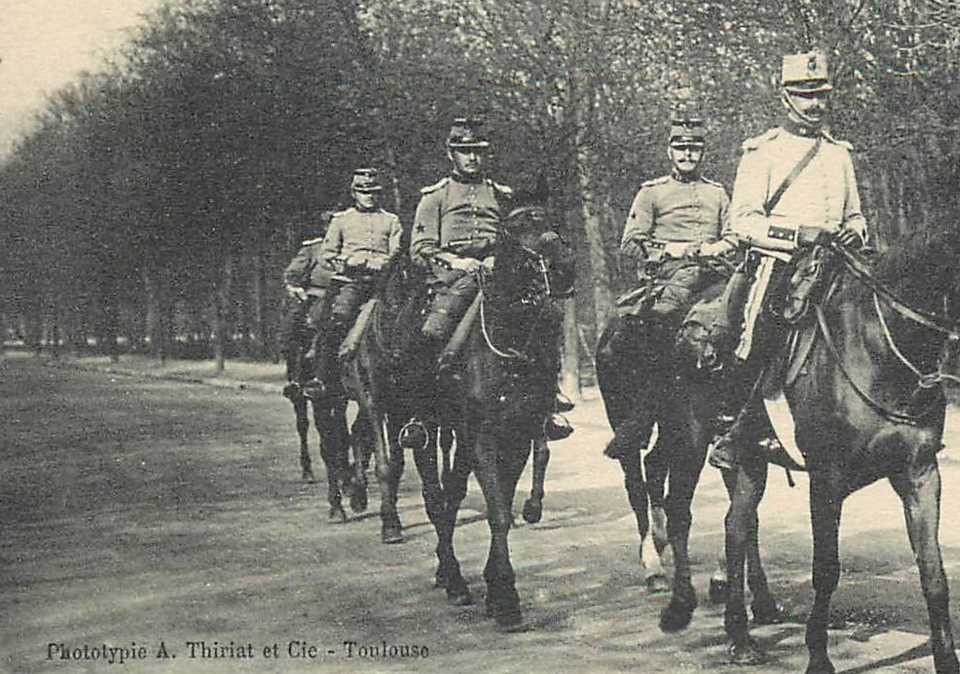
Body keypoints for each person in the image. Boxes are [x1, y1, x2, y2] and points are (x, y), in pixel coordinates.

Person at [706, 50, 869, 470]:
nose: (815, 104)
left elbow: (855, 212)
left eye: (821, 95)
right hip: (780, 261)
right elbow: (743, 220)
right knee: (757, 329)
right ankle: (738, 427)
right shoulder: (763, 152)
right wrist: (797, 234)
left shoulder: (839, 153)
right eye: (805, 94)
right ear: (785, 97)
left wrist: (857, 228)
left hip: (839, 260)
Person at [410, 117, 572, 440]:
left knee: (545, 316)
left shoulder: (502, 194)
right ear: (451, 154)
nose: (472, 158)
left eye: (478, 151)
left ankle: (548, 400)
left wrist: (502, 256)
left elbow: (515, 234)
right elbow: (420, 248)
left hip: (498, 271)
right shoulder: (435, 197)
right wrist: (459, 260)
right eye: (464, 151)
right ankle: (421, 414)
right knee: (432, 331)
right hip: (453, 275)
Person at [603, 116, 739, 458]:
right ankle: (644, 414)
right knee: (657, 325)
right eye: (681, 148)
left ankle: (735, 409)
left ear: (703, 153)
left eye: (694, 148)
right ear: (669, 152)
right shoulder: (652, 192)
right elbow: (631, 242)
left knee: (744, 317)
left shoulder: (717, 192)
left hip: (715, 271)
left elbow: (735, 234)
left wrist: (717, 248)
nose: (688, 154)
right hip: (669, 274)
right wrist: (670, 250)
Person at [301, 167, 402, 400]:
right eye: (363, 191)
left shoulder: (391, 220)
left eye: (374, 191)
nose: (369, 196)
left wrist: (383, 261)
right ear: (354, 193)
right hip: (350, 282)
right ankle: (323, 378)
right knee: (336, 321)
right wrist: (349, 261)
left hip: (382, 283)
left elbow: (396, 248)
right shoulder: (341, 220)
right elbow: (326, 254)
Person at [281, 210, 337, 400]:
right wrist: (296, 289)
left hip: (350, 296)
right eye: (330, 227)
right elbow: (292, 274)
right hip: (317, 296)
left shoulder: (352, 249)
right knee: (293, 326)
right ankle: (295, 377)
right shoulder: (314, 249)